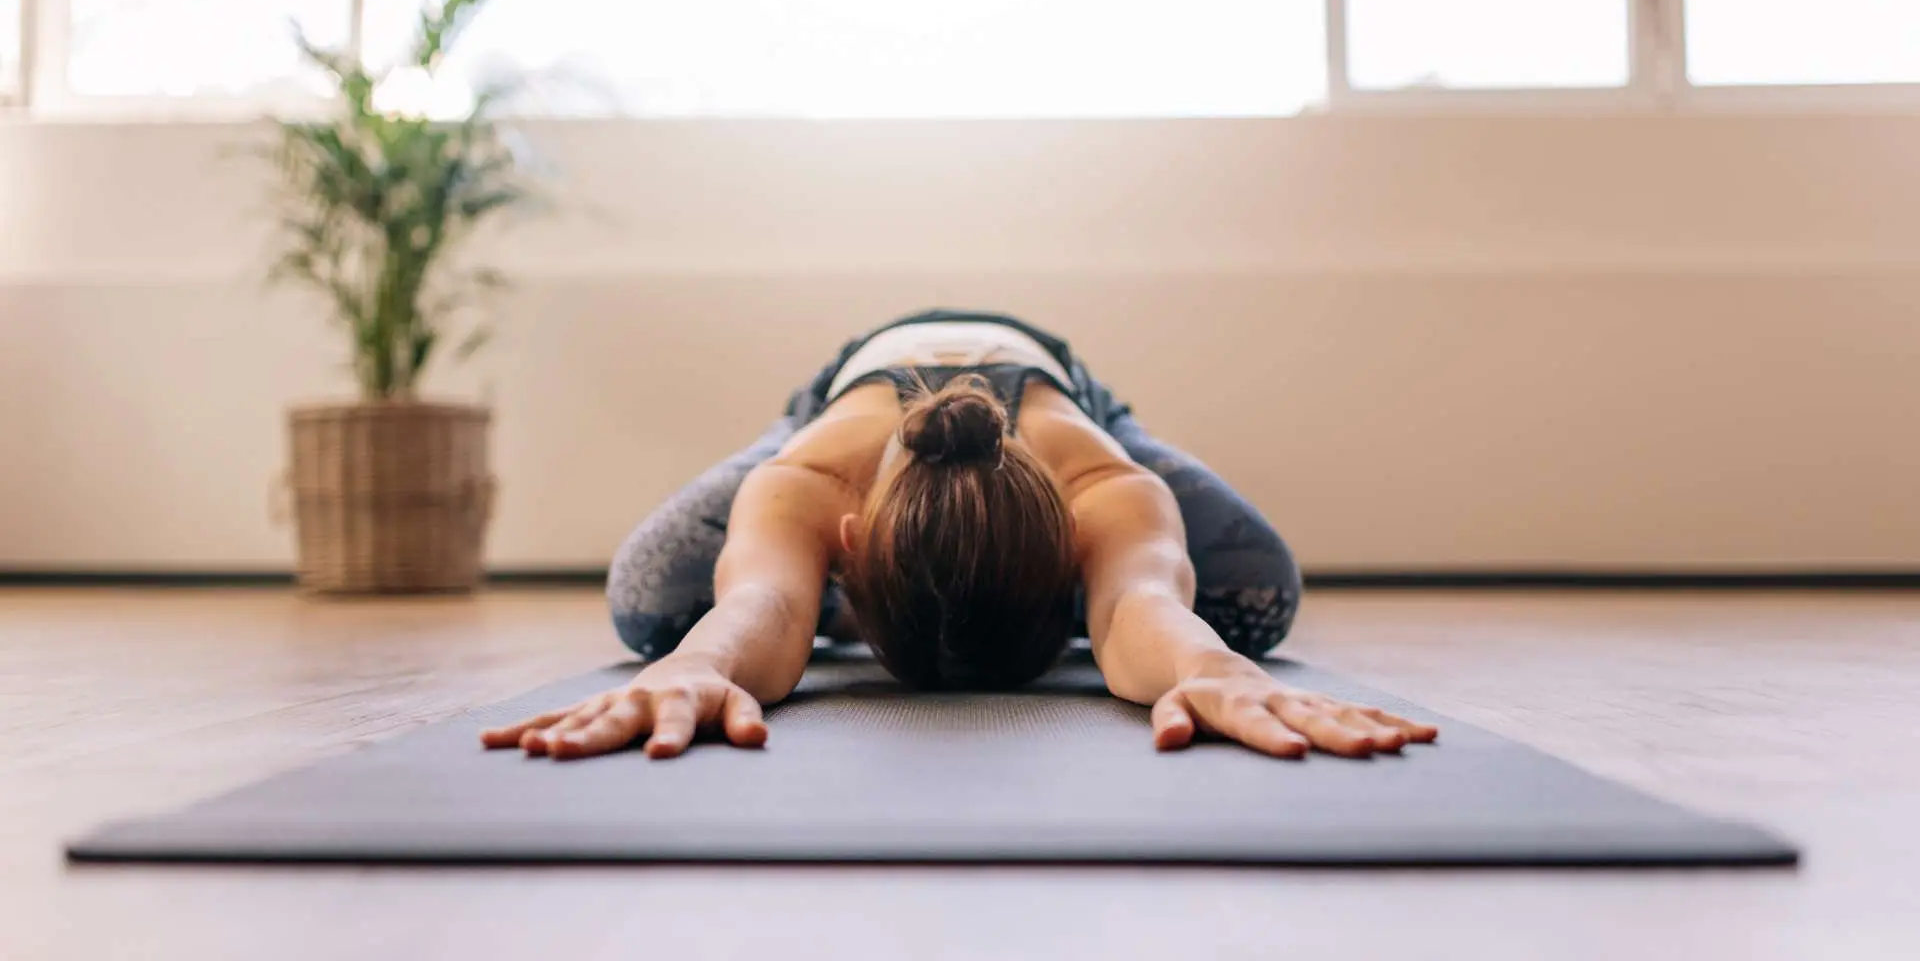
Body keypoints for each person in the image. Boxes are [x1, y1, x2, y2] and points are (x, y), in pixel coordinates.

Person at [482, 309, 1437, 761]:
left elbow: (1136, 604)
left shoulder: (1101, 482)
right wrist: (698, 663)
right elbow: (763, 602)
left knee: (1253, 597)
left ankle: (943, 590)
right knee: (653, 606)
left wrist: (1211, 667)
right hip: (847, 395)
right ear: (845, 544)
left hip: (1063, 391)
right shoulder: (809, 476)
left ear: (1076, 544)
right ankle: (906, 591)